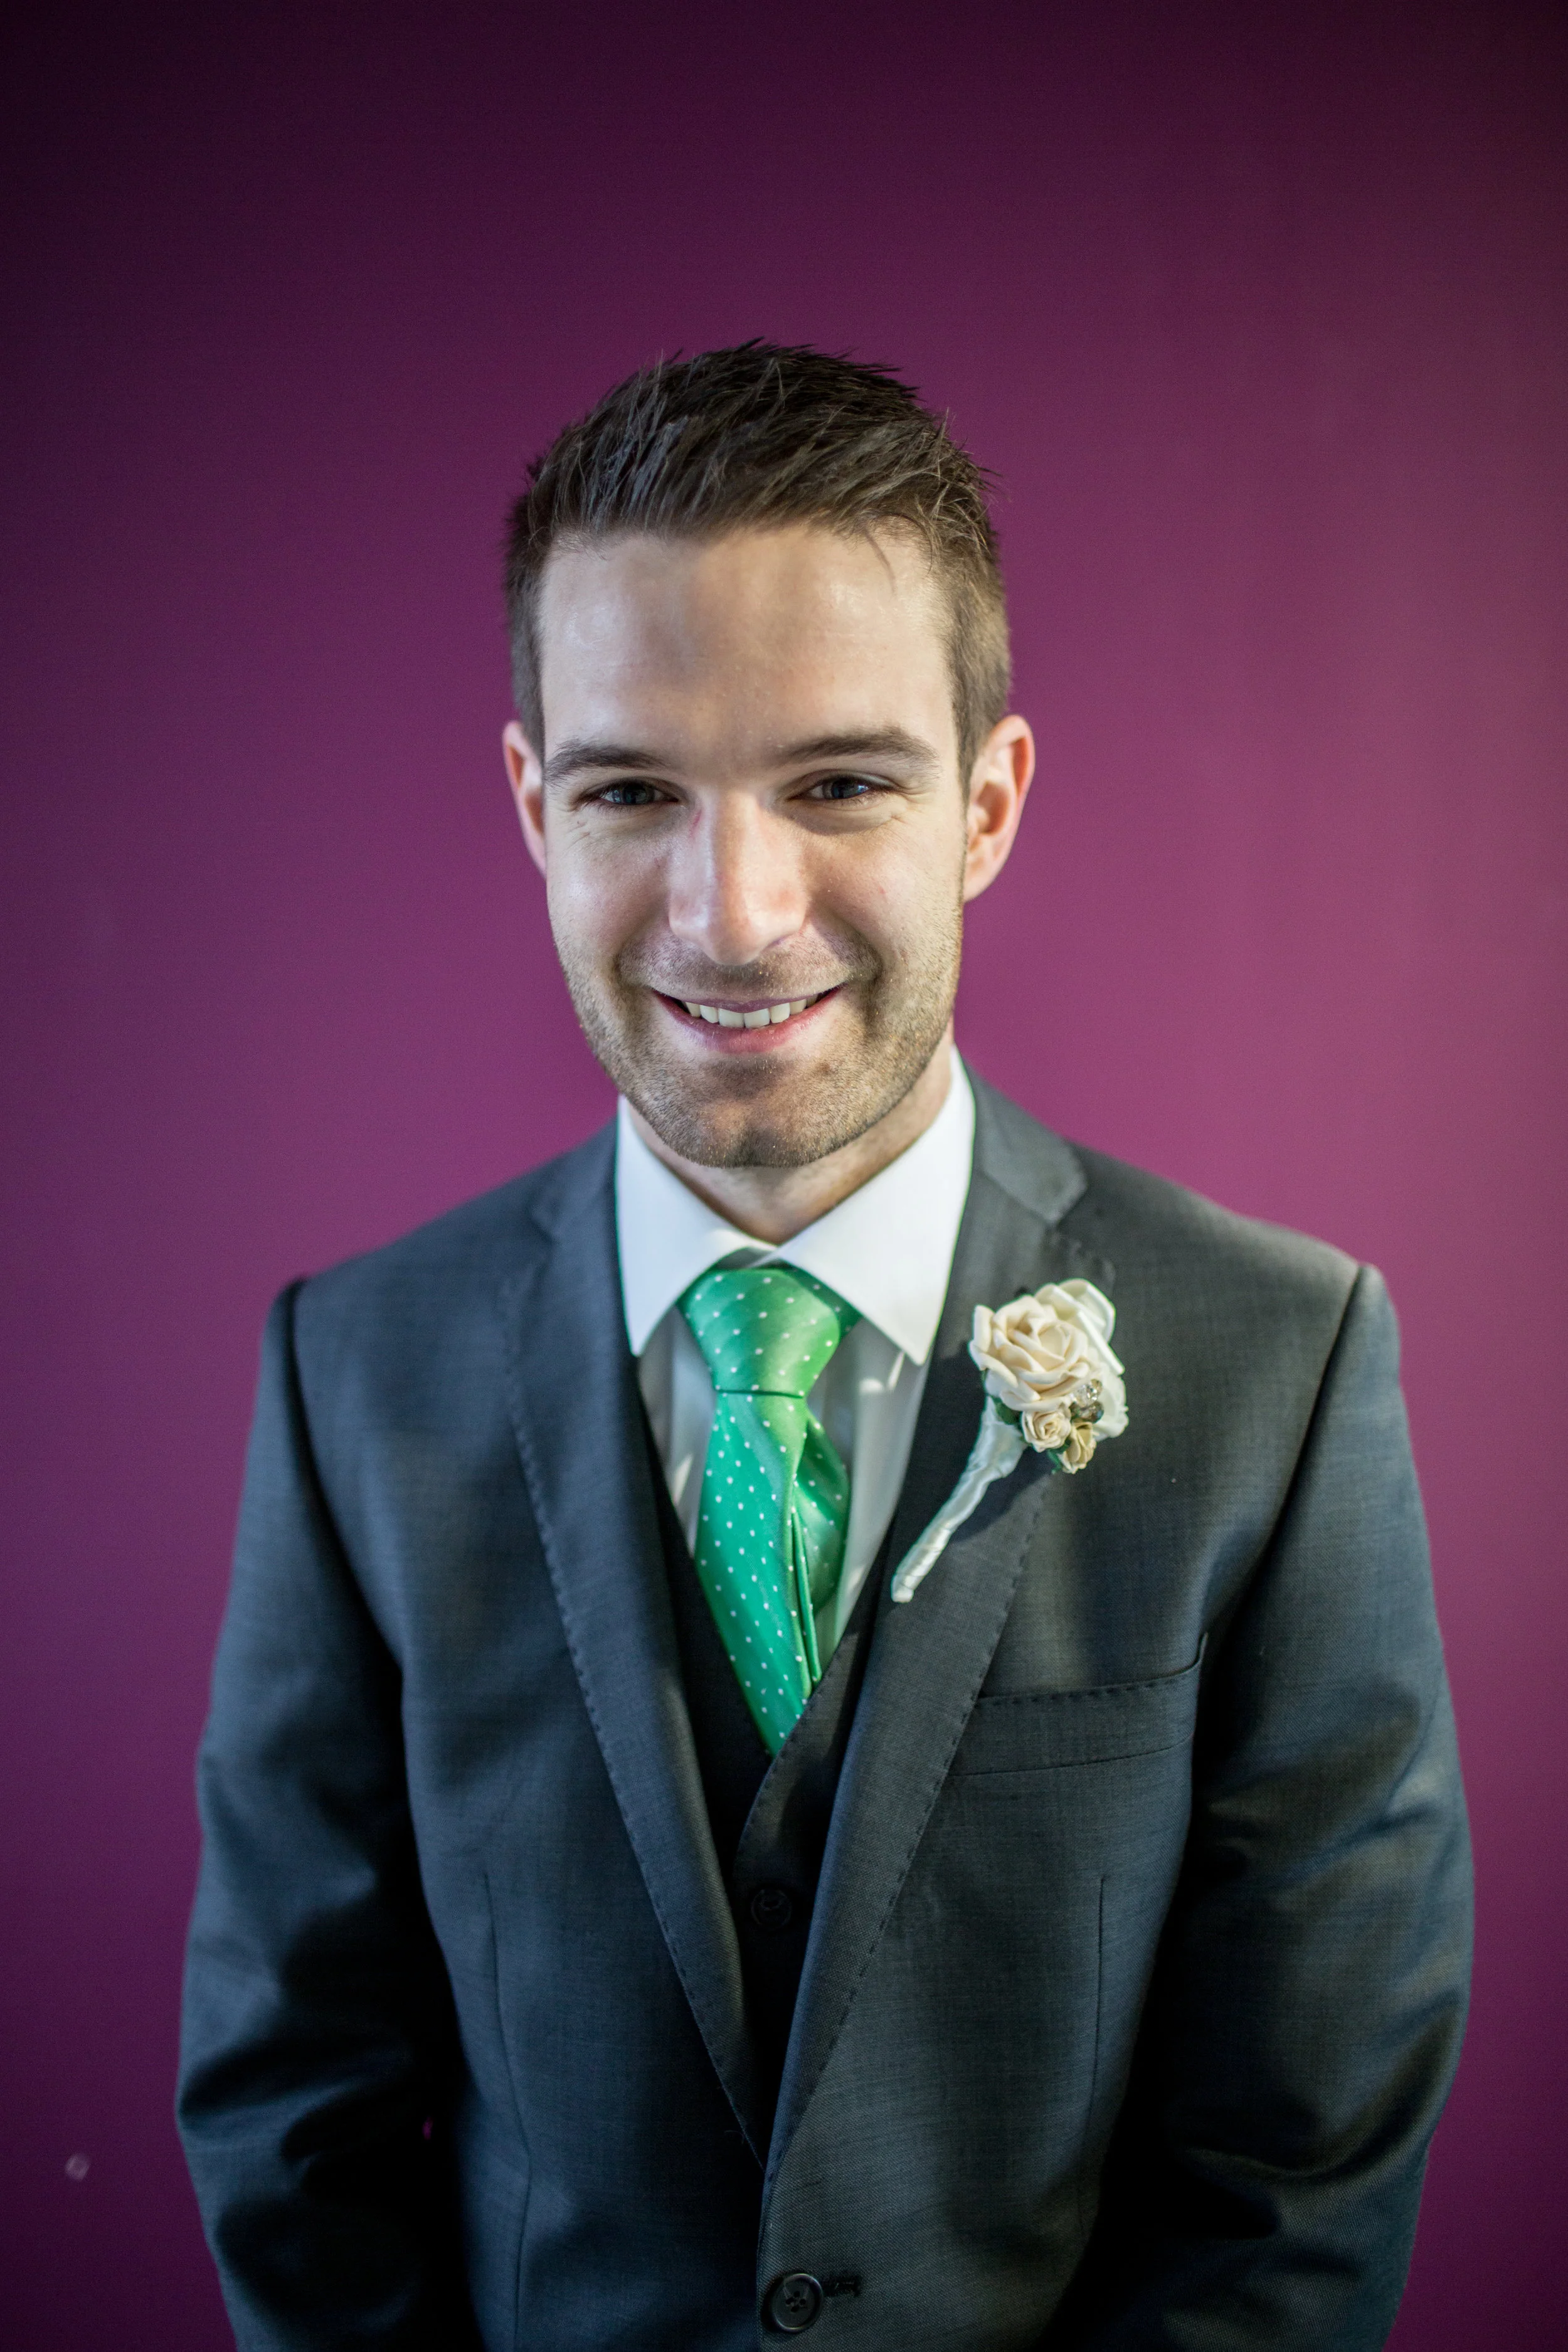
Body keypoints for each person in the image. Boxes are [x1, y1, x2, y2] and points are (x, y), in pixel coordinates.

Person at [177, 344, 1471, 2351]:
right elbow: (294, 2112)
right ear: (533, 807)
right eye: (630, 791)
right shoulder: (349, 1376)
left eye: (839, 781)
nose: (733, 910)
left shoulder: (1282, 1364)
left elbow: (1297, 2159)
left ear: (986, 801)